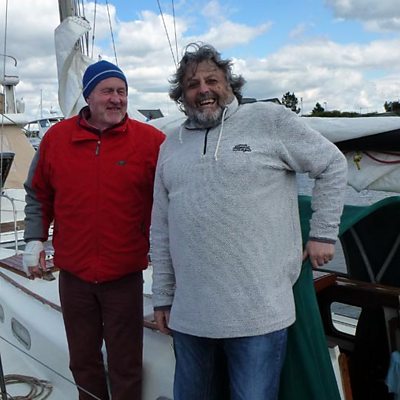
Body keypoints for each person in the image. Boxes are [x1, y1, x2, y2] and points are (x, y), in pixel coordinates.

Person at [150, 43, 348, 400]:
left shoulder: (269, 121)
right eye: (192, 84)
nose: (203, 90)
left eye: (212, 80)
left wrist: (322, 233)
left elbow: (332, 164)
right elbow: (161, 228)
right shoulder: (171, 145)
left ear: (230, 84)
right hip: (191, 314)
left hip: (259, 314)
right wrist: (163, 297)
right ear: (182, 95)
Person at [22, 60, 165, 400]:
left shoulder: (151, 141)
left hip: (124, 276)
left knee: (126, 364)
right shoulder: (57, 139)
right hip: (74, 277)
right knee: (83, 361)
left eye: (122, 91)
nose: (116, 98)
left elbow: (177, 193)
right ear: (88, 96)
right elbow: (38, 193)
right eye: (107, 91)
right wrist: (34, 240)